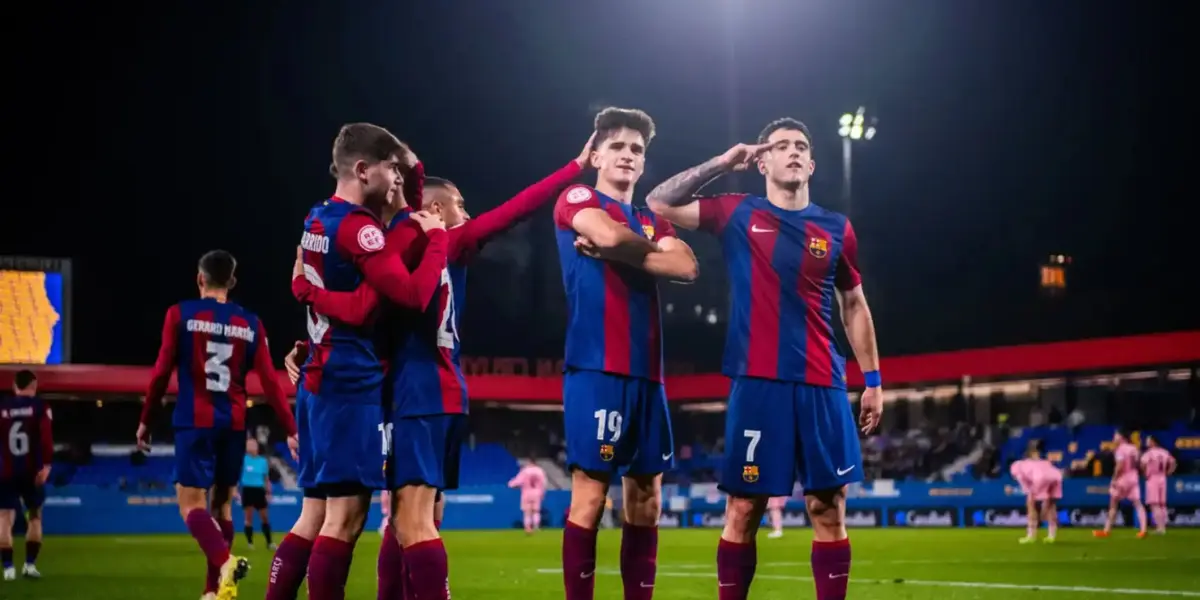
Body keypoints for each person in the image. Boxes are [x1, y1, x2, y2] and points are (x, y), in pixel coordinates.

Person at [292, 132, 594, 600]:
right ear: (434, 208)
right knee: (421, 518)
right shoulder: (440, 240)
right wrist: (573, 167)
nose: (468, 215)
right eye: (459, 204)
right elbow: (516, 208)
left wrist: (312, 307)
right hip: (441, 390)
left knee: (397, 520)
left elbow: (369, 307)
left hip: (411, 392)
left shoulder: (404, 240)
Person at [646, 117, 884, 600]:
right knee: (744, 509)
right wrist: (720, 163)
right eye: (781, 146)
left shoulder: (837, 228)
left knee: (827, 508)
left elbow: (855, 305)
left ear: (812, 163)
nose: (793, 151)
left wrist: (874, 380)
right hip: (756, 382)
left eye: (801, 146)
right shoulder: (735, 212)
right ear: (761, 162)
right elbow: (657, 202)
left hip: (823, 382)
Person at [290, 123, 451, 600]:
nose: (399, 179)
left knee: (317, 513)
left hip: (321, 374)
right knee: (344, 519)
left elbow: (412, 174)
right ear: (364, 170)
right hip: (349, 382)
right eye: (390, 170)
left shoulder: (316, 218)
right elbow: (405, 295)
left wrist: (308, 295)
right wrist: (438, 240)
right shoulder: (361, 230)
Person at [553, 107, 698, 600]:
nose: (628, 155)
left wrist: (618, 250)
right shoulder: (577, 197)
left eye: (637, 149)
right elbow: (610, 233)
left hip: (648, 376)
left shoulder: (652, 216)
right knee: (590, 499)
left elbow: (688, 267)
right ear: (595, 155)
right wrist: (643, 250)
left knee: (647, 498)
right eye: (617, 146)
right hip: (597, 368)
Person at [136, 250, 298, 600]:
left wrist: (146, 419)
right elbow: (271, 382)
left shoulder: (179, 315)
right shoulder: (250, 323)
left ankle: (224, 563)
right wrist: (291, 427)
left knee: (190, 505)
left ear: (200, 279)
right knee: (222, 505)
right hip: (234, 424)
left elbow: (161, 372)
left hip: (195, 421)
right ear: (233, 283)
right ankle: (213, 592)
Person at [0, 370, 51, 581]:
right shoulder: (40, 407)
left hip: (5, 471)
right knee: (35, 516)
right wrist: (46, 466)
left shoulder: (2, 407)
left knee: (4, 518)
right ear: (34, 385)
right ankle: (29, 566)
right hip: (32, 472)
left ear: (14, 386)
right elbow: (46, 438)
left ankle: (8, 569)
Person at [1094, 429, 1148, 538]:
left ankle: (1106, 530)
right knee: (1138, 504)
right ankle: (1143, 530)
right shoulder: (1134, 449)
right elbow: (1140, 464)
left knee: (1113, 505)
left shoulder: (1120, 449)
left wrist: (1114, 479)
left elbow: (1119, 465)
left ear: (1122, 437)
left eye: (1116, 436)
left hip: (1122, 479)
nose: (1114, 438)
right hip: (1133, 478)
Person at [1009, 440, 1062, 544]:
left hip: (1041, 478)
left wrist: (1020, 491)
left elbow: (1026, 485)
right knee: (1050, 507)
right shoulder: (1044, 463)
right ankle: (1051, 535)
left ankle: (1031, 535)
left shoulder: (1018, 467)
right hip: (1055, 476)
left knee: (1031, 505)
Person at [237, 438, 274, 550]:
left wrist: (268, 492)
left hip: (259, 490)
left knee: (265, 518)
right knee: (248, 518)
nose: (251, 447)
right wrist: (235, 491)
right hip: (247, 490)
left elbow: (266, 479)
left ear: (257, 446)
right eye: (249, 445)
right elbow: (235, 477)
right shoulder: (242, 460)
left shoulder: (262, 461)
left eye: (253, 444)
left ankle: (269, 543)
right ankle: (250, 543)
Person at [1140, 435, 1176, 535]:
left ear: (1153, 442)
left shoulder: (1149, 453)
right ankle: (1163, 526)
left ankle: (1160, 528)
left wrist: (1145, 473)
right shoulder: (1164, 452)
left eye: (1148, 440)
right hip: (1162, 478)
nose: (1146, 442)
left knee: (1154, 504)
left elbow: (1142, 464)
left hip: (1153, 478)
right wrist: (1169, 472)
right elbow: (1173, 462)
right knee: (1162, 504)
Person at [508, 460, 548, 534]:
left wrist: (510, 484)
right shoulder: (540, 471)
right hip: (537, 493)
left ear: (529, 463)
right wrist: (542, 494)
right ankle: (536, 526)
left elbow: (518, 481)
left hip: (526, 493)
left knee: (527, 512)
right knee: (536, 511)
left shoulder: (525, 471)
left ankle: (528, 527)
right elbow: (544, 483)